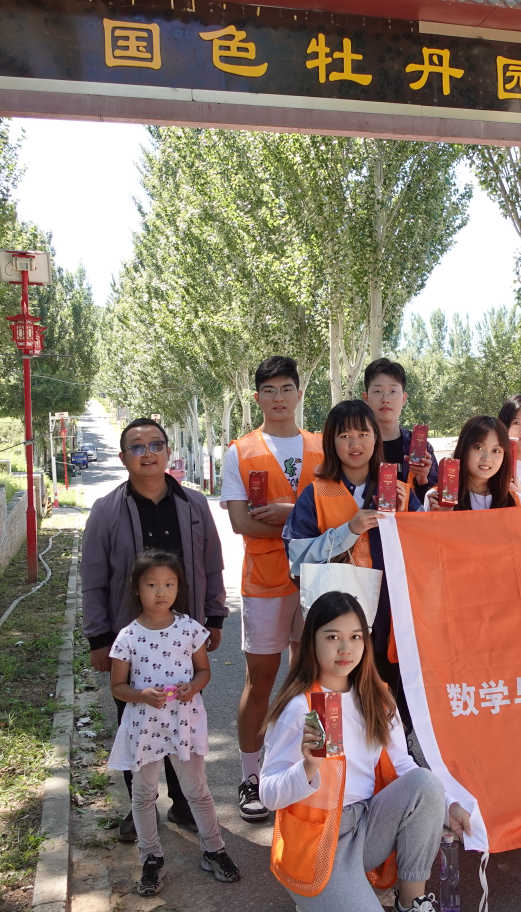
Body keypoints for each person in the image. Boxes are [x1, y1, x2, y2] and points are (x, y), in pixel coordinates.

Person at [260, 591, 469, 912]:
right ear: (311, 641)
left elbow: (403, 765)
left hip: (367, 826)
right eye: (332, 637)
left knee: (426, 784)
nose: (345, 648)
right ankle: (323, 896)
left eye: (355, 636)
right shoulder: (302, 707)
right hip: (315, 847)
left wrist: (447, 808)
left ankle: (411, 903)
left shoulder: (376, 697)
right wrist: (307, 768)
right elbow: (268, 794)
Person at [82, 417, 226, 842]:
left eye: (156, 444)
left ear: (167, 451)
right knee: (135, 723)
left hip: (184, 636)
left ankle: (183, 803)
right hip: (132, 637)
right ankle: (139, 806)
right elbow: (93, 577)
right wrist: (99, 638)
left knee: (183, 719)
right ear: (123, 457)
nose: (148, 453)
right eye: (137, 447)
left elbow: (212, 563)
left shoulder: (193, 504)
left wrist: (214, 616)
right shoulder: (107, 510)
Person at [220, 356, 325, 823]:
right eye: (269, 390)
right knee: (260, 680)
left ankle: (309, 771)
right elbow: (241, 522)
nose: (278, 398)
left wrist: (290, 513)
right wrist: (302, 521)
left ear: (300, 393)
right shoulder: (240, 451)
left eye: (286, 389)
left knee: (311, 677)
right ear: (257, 397)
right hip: (264, 582)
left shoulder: (323, 446)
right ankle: (250, 775)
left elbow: (338, 512)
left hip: (316, 581)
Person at [108, 551, 241, 895]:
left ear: (178, 587)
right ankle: (151, 857)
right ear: (136, 588)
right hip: (145, 728)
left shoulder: (189, 628)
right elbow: (117, 687)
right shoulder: (128, 636)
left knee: (197, 789)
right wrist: (141, 695)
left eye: (169, 584)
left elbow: (203, 671)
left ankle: (214, 849)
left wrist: (193, 687)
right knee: (143, 795)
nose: (161, 591)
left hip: (184, 723)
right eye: (152, 584)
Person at [283, 400, 422, 728]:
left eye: (363, 433)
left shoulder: (400, 491)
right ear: (331, 442)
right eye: (344, 435)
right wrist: (349, 530)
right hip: (336, 620)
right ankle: (330, 756)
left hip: (391, 616)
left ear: (376, 438)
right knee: (334, 700)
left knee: (391, 701)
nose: (354, 443)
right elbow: (297, 562)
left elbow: (429, 552)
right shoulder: (316, 494)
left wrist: (412, 516)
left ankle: (392, 752)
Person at [363, 358, 438, 496]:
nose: (386, 399)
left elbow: (434, 502)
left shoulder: (421, 448)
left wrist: (423, 481)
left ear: (404, 398)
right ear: (366, 398)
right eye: (378, 391)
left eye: (393, 392)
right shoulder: (357, 445)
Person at [424, 415, 521, 511]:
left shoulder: (518, 502)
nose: (487, 458)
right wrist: (443, 516)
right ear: (463, 448)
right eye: (479, 448)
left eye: (496, 450)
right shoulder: (437, 498)